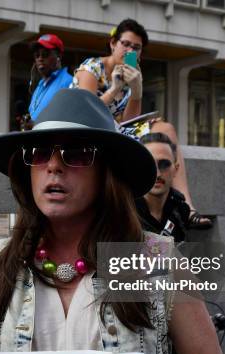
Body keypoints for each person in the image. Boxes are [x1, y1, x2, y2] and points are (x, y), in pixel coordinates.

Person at [0, 88, 225, 354]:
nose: (54, 166)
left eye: (76, 153)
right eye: (39, 152)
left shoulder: (153, 260)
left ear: (107, 172)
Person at [71, 18, 211, 228]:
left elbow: (129, 120)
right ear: (113, 44)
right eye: (125, 44)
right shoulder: (92, 68)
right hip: (84, 130)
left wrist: (136, 90)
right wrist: (115, 89)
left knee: (166, 128)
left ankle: (187, 207)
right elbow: (86, 111)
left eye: (136, 47)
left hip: (113, 131)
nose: (130, 50)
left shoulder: (132, 73)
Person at [136, 132, 190, 243]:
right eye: (150, 164)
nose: (158, 173)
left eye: (164, 164)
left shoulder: (181, 210)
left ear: (176, 169)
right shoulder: (123, 209)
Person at [21, 34, 73, 129]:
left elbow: (70, 121)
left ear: (59, 56)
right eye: (37, 55)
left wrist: (36, 125)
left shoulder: (68, 82)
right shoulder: (39, 86)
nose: (40, 58)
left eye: (45, 54)